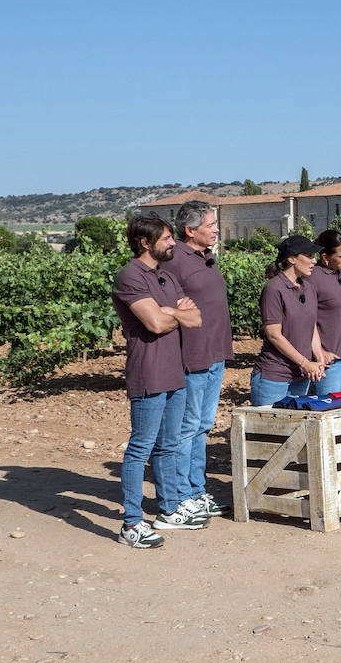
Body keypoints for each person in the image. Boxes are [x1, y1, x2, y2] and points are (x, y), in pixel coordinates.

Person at [112, 213, 204, 548]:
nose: (173, 243)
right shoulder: (130, 276)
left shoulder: (165, 276)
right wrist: (171, 313)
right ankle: (131, 523)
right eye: (166, 238)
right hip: (148, 372)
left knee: (167, 446)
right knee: (141, 448)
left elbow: (194, 318)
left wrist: (170, 314)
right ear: (145, 242)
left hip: (174, 371)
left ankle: (167, 509)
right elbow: (153, 324)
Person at [164, 200, 234, 521]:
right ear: (190, 230)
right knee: (187, 425)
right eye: (210, 225)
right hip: (191, 354)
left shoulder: (206, 257)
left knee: (204, 425)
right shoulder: (175, 258)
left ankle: (196, 488)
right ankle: (181, 494)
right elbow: (166, 302)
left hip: (215, 351)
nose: (216, 230)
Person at [249, 235, 327, 406]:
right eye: (309, 256)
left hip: (301, 376)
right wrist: (305, 363)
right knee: (268, 430)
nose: (314, 261)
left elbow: (311, 326)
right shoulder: (274, 289)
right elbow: (274, 335)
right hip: (274, 376)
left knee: (294, 430)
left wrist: (319, 359)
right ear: (291, 259)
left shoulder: (309, 287)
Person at [308, 229, 341, 396]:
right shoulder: (313, 278)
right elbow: (306, 320)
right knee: (329, 412)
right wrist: (320, 352)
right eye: (340, 255)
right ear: (325, 257)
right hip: (331, 363)